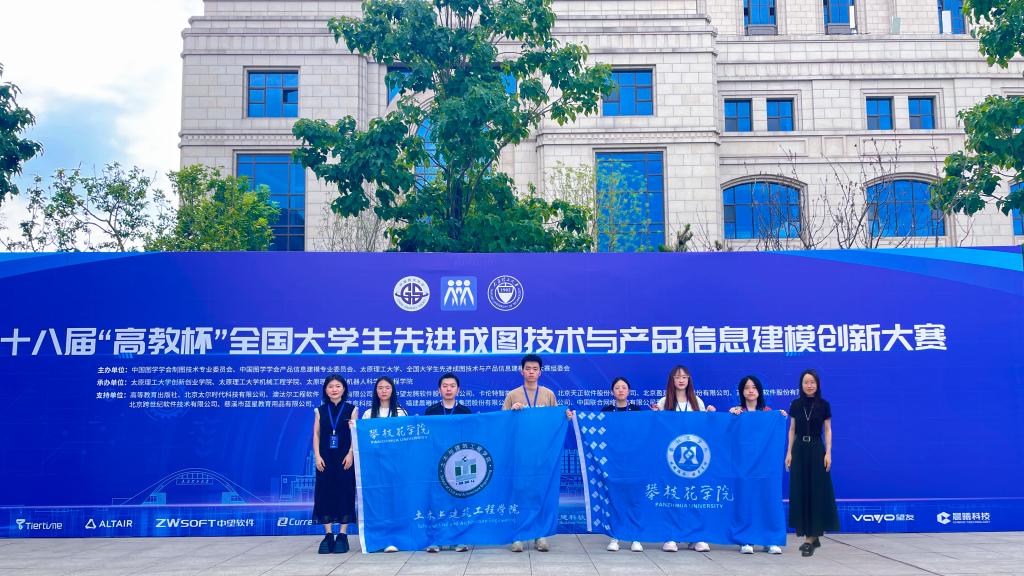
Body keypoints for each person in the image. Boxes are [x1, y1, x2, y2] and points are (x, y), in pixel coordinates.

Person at [501, 354, 566, 552]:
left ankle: (540, 535)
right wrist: (512, 412)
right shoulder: (513, 395)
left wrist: (566, 416)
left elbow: (556, 419)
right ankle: (518, 536)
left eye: (535, 369)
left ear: (540, 372)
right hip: (520, 453)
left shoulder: (548, 394)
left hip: (543, 453)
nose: (531, 372)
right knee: (519, 492)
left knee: (541, 491)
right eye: (527, 368)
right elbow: (502, 422)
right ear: (521, 371)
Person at [651, 365, 715, 553]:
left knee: (694, 496)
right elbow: (658, 430)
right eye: (677, 377)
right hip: (670, 457)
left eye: (684, 377)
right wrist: (655, 416)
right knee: (671, 496)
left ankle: (696, 536)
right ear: (672, 380)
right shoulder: (664, 402)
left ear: (689, 380)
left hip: (694, 459)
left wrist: (710, 415)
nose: (681, 380)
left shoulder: (697, 401)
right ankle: (671, 536)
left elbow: (704, 428)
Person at [728, 375, 784, 555]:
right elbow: (729, 436)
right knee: (746, 502)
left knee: (766, 501)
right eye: (746, 388)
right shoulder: (737, 412)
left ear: (759, 391)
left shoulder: (768, 413)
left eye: (753, 387)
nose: (750, 391)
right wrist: (732, 416)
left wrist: (780, 417)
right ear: (741, 392)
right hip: (743, 467)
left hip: (764, 468)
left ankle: (770, 540)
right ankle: (746, 540)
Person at [785, 369, 839, 557]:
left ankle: (811, 537)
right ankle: (810, 535)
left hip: (817, 449)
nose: (809, 385)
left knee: (816, 491)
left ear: (817, 384)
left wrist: (828, 453)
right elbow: (792, 429)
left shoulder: (824, 405)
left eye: (812, 382)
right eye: (806, 382)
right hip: (799, 449)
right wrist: (789, 452)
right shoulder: (796, 404)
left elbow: (828, 429)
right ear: (801, 385)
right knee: (801, 491)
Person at [423, 372, 471, 553]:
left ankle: (458, 539)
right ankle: (435, 539)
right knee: (436, 501)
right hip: (436, 462)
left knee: (458, 500)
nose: (448, 389)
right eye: (445, 386)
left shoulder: (465, 412)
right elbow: (426, 437)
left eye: (452, 386)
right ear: (439, 389)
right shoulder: (431, 411)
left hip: (459, 462)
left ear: (458, 389)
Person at [311, 375, 358, 554]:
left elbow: (355, 434)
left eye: (338, 386)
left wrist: (350, 453)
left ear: (344, 389)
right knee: (324, 493)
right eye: (330, 386)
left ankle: (343, 535)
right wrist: (317, 456)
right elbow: (316, 435)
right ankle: (328, 534)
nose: (334, 389)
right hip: (325, 459)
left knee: (345, 492)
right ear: (325, 389)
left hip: (344, 458)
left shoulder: (352, 409)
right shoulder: (320, 411)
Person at [361, 376, 406, 552]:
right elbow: (362, 438)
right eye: (380, 387)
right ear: (376, 391)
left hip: (395, 466)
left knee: (395, 500)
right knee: (378, 501)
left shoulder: (401, 413)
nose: (384, 391)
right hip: (375, 466)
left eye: (387, 387)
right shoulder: (368, 414)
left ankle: (396, 538)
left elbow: (406, 442)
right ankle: (379, 538)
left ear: (392, 390)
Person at [601, 377, 644, 553]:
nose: (620, 390)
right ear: (612, 391)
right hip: (613, 462)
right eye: (617, 387)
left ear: (629, 391)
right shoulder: (606, 411)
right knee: (615, 499)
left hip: (633, 462)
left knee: (634, 499)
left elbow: (644, 433)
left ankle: (636, 537)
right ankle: (615, 537)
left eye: (624, 387)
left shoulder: (636, 410)